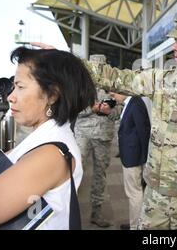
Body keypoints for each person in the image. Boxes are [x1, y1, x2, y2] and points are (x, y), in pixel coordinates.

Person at [84, 16, 177, 229]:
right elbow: (116, 78)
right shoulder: (161, 80)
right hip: (155, 199)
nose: (175, 46)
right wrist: (71, 64)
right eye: (175, 40)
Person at [0, 46, 96, 229]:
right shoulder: (43, 138)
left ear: (52, 95)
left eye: (20, 87)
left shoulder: (50, 155)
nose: (10, 97)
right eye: (13, 86)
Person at [74, 54, 121, 228]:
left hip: (103, 136)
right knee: (76, 171)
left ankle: (96, 212)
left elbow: (118, 114)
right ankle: (70, 210)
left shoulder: (113, 87)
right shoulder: (81, 87)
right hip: (83, 134)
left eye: (100, 67)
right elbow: (74, 111)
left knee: (100, 174)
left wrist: (109, 111)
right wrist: (91, 109)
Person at [111, 93, 151, 230]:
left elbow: (143, 132)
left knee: (134, 193)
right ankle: (135, 222)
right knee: (134, 192)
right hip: (130, 154)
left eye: (114, 91)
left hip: (133, 156)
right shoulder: (131, 103)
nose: (111, 94)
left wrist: (145, 160)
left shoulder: (136, 104)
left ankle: (136, 226)